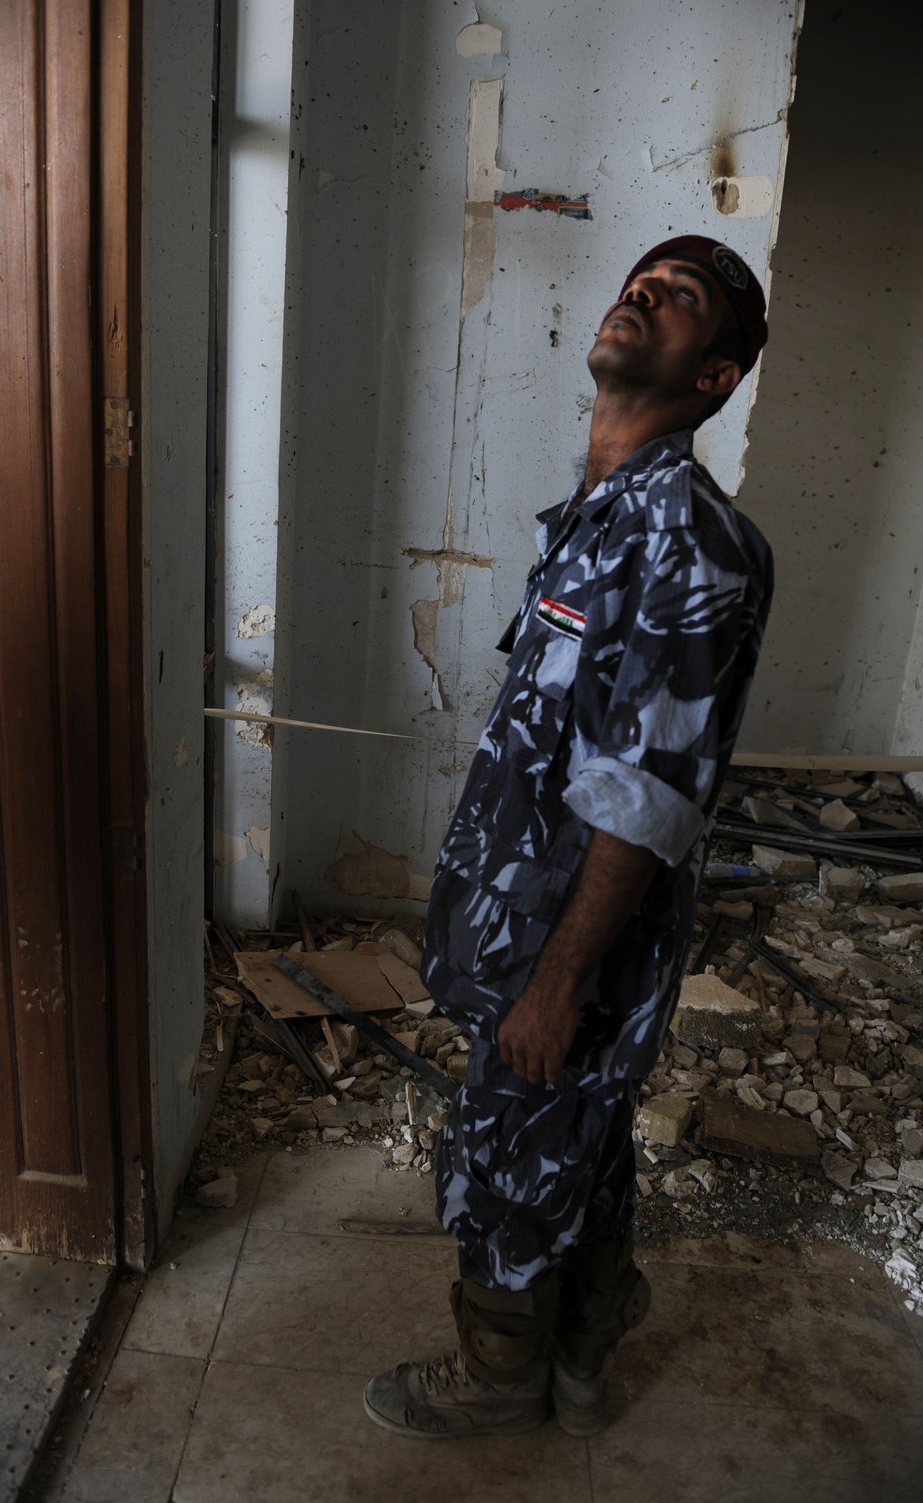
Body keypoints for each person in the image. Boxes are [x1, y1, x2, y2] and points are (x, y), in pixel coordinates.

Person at [364, 235, 775, 1439]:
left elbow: (643, 799)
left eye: (679, 298)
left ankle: (501, 1378)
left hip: (572, 948)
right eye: (639, 279)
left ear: (715, 378)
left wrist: (556, 980)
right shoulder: (597, 519)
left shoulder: (689, 546)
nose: (639, 292)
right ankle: (590, 1341)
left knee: (507, 1149)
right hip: (520, 923)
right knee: (571, 1138)